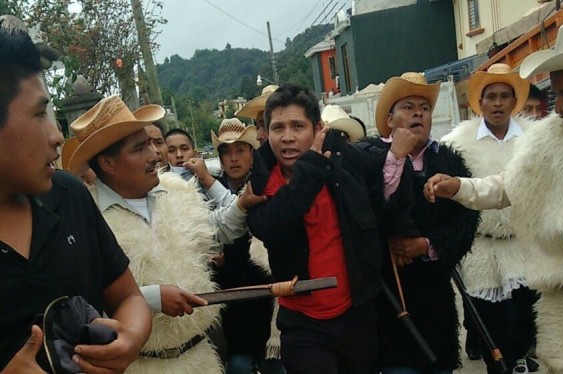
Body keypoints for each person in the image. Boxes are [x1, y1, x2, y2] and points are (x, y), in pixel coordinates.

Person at [424, 21, 563, 374]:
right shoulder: (549, 140)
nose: (558, 106)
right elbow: (508, 186)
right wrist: (459, 187)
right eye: (556, 95)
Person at [0, 23, 151, 373]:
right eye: (40, 114)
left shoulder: (69, 196)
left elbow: (129, 297)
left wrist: (131, 338)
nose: (56, 136)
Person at [66, 94, 246, 373]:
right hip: (140, 366)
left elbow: (218, 230)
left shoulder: (177, 190)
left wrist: (245, 203)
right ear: (107, 163)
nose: (153, 155)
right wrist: (152, 298)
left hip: (201, 359)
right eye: (139, 149)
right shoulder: (86, 218)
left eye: (151, 144)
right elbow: (82, 302)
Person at [247, 83, 410, 374]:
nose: (287, 137)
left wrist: (400, 151)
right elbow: (272, 226)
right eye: (278, 128)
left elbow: (384, 178)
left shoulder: (344, 160)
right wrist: (311, 165)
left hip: (357, 316)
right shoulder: (261, 183)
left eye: (297, 126)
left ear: (318, 128)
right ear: (266, 132)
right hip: (302, 322)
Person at [363, 72, 479, 373]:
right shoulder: (369, 157)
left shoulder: (449, 162)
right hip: (388, 297)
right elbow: (369, 213)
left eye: (424, 108)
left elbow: (467, 218)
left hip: (434, 295)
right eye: (408, 106)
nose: (418, 113)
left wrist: (426, 245)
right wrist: (396, 159)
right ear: (390, 120)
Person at [437, 63, 537, 373]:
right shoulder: (457, 142)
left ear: (514, 101)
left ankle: (518, 361)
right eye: (490, 96)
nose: (497, 103)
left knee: (525, 322)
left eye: (504, 96)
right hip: (479, 249)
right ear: (479, 102)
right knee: (491, 328)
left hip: (524, 246)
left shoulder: (535, 138)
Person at [210, 119, 285, 374]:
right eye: (227, 152)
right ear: (220, 160)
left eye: (240, 150)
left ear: (252, 156)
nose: (234, 158)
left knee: (274, 365)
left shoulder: (268, 188)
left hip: (267, 291)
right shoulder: (203, 194)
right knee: (238, 364)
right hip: (230, 297)